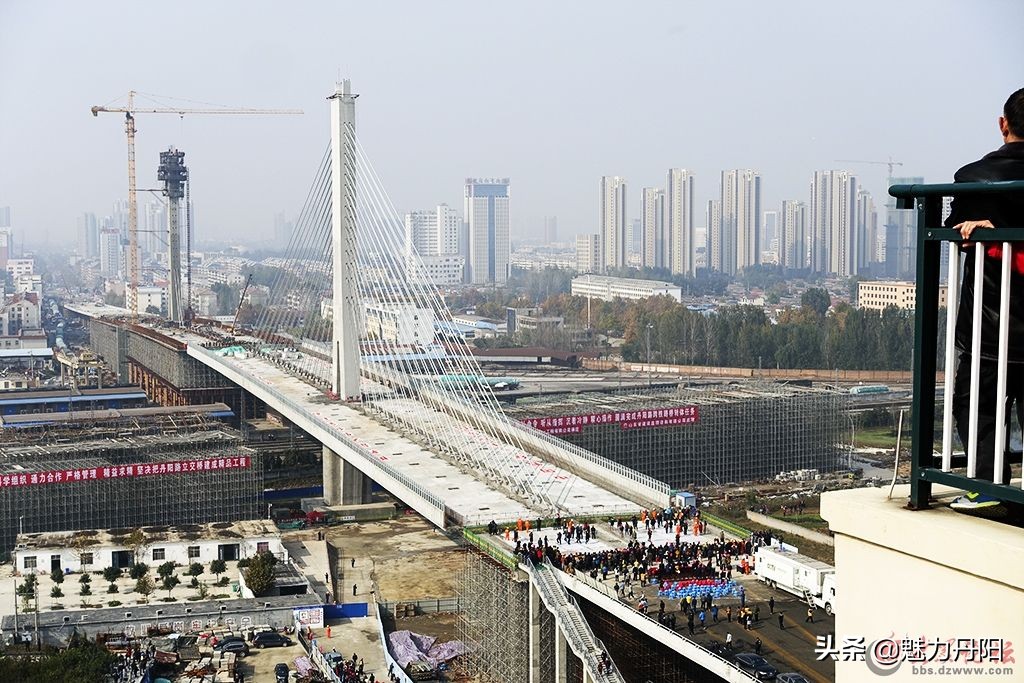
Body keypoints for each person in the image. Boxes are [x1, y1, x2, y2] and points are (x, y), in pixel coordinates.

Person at [945, 87, 1024, 511]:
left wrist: (986, 231)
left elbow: (954, 228)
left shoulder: (973, 177)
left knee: (977, 406)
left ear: (1003, 124)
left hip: (989, 324)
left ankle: (989, 488)